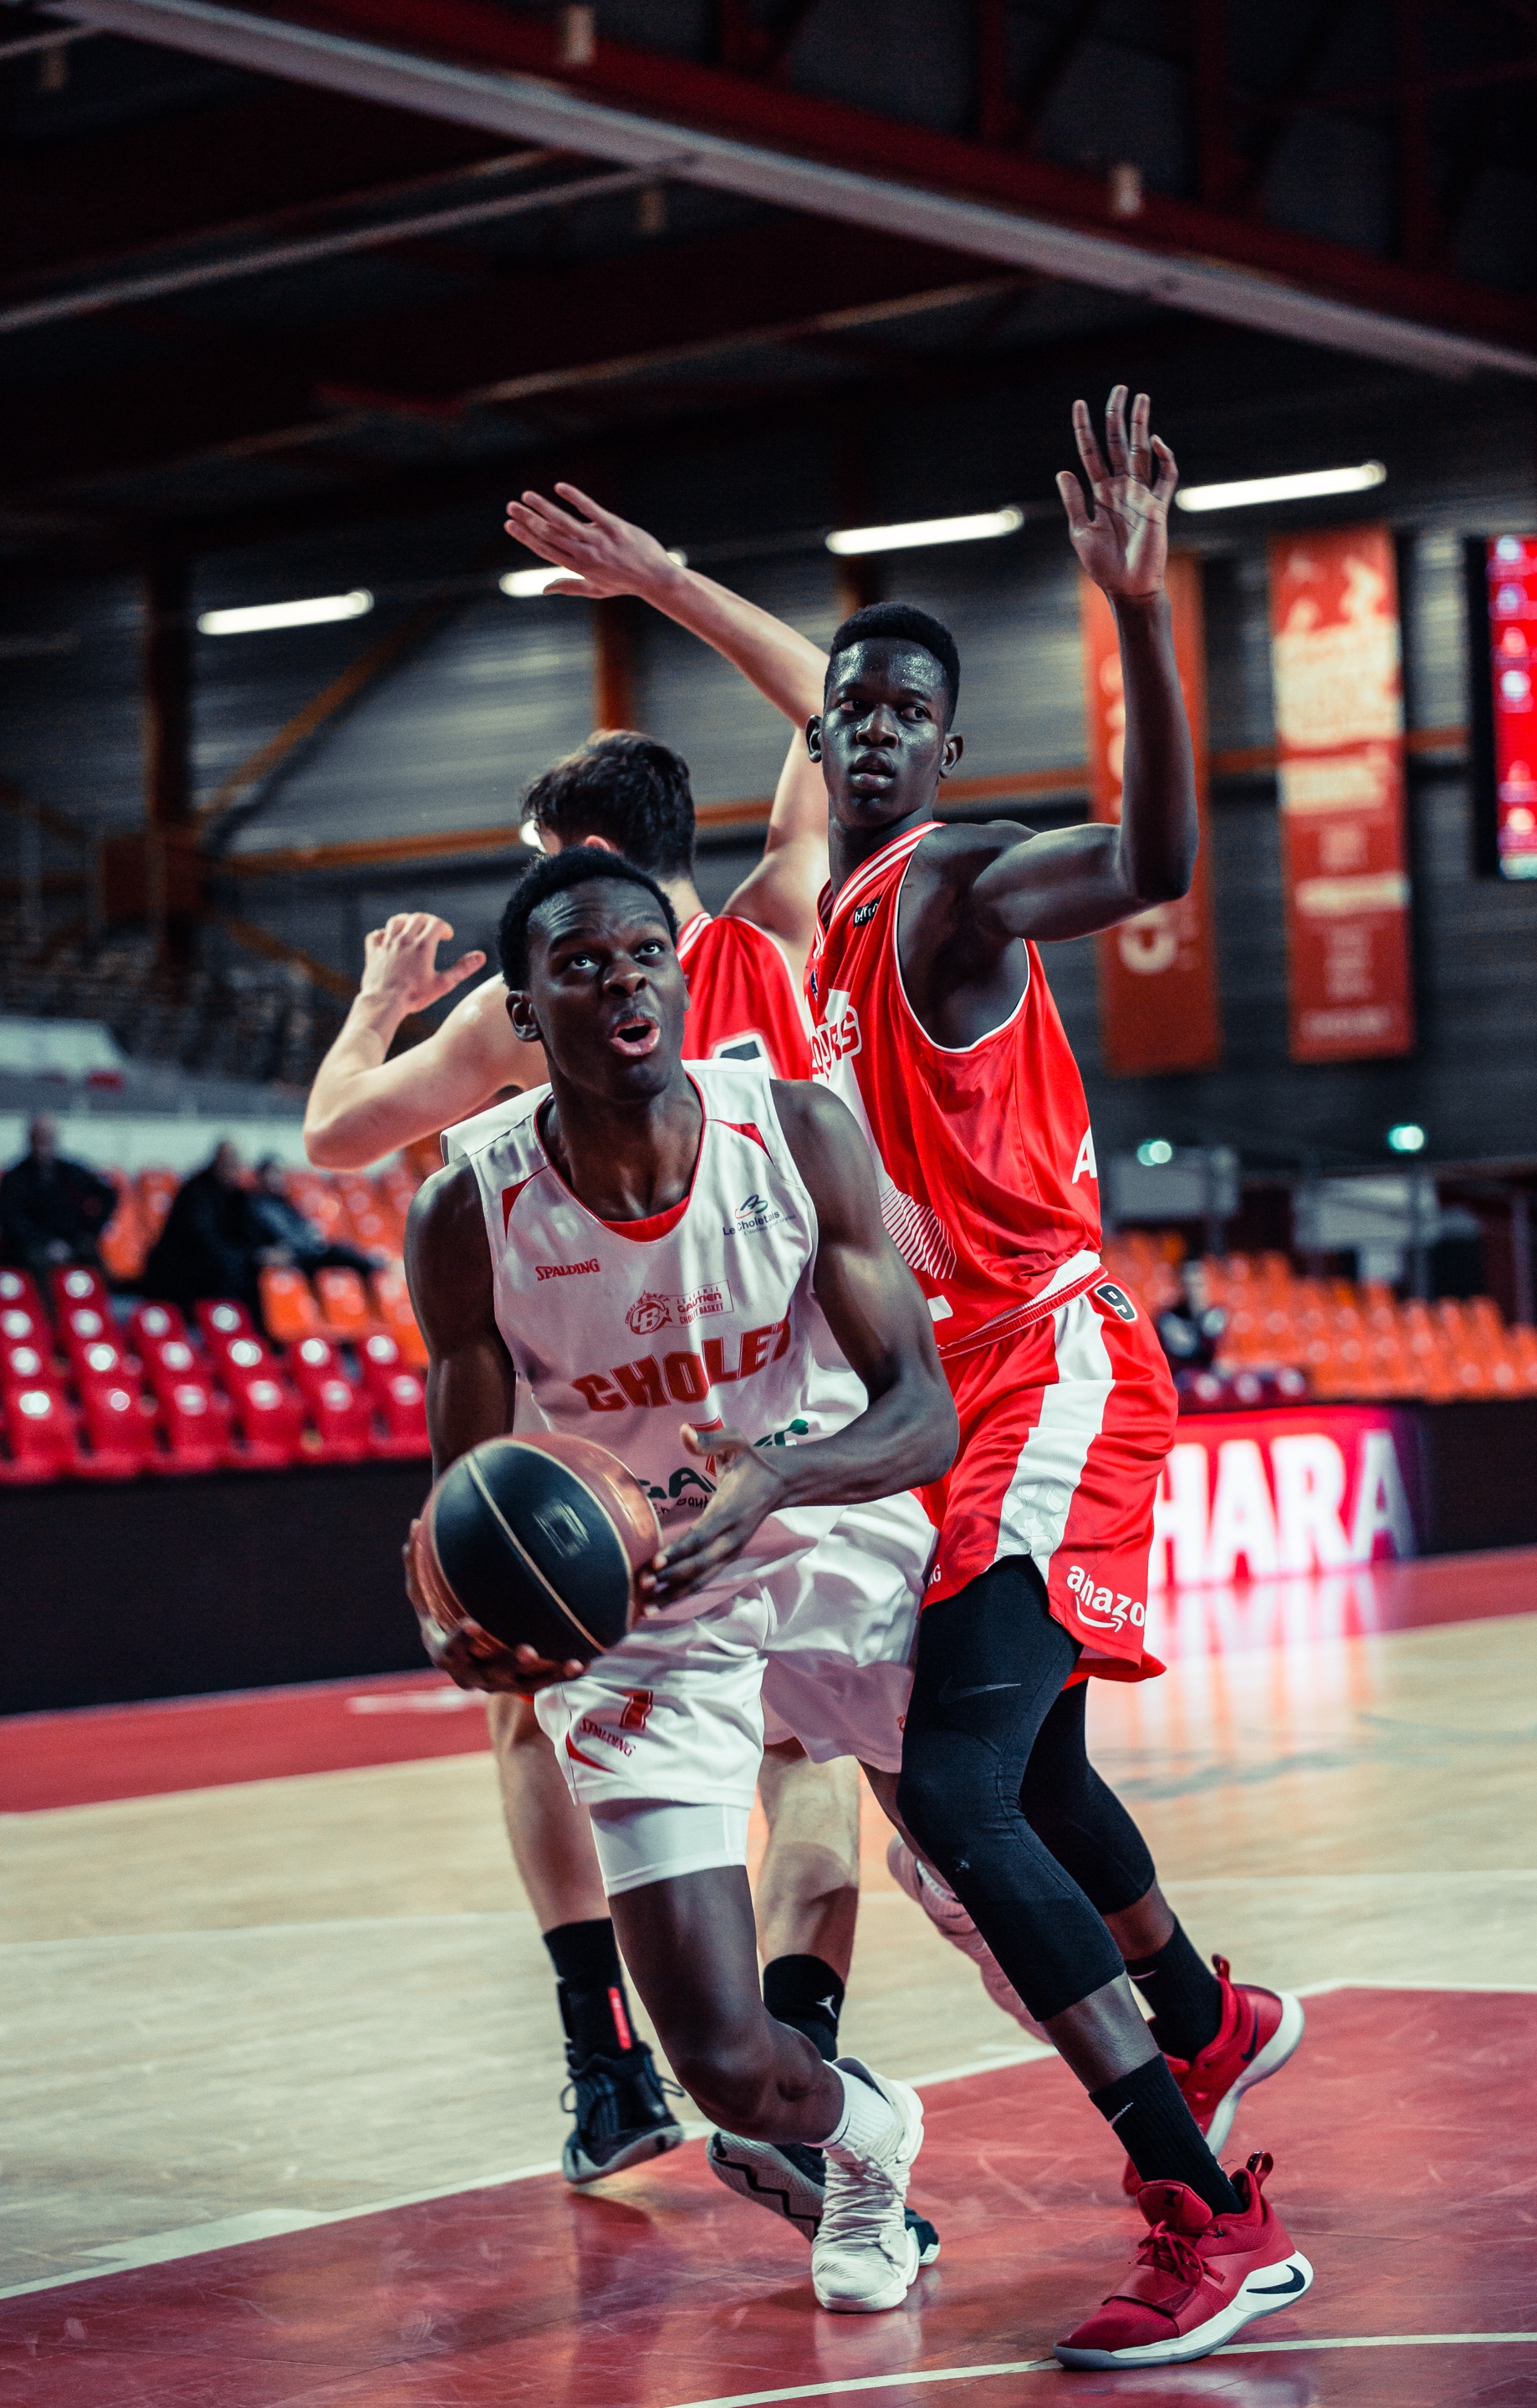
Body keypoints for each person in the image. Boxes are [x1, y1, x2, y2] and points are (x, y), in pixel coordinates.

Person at [524, 397, 1311, 2368]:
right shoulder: (794, 947)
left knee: (954, 1788)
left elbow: (1142, 854)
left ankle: (1206, 2210)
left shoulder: (948, 888)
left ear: (943, 751)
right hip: (916, 1407)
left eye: (901, 709)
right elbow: (824, 705)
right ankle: (1201, 2020)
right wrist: (670, 586)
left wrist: (1138, 613)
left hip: (1041, 1366)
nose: (864, 724)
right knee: (1011, 1768)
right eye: (842, 710)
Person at [299, 535, 911, 2209]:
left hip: (623, 1448)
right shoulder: (780, 914)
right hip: (792, 1412)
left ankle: (606, 2066)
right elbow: (829, 702)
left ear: (573, 873)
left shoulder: (543, 1001)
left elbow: (337, 1133)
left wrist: (368, 1006)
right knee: (815, 1766)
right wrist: (665, 579)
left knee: (526, 1689)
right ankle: (800, 2049)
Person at [405, 849, 958, 2314]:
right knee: (720, 2059)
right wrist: (469, 1621)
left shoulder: (791, 1130)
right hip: (650, 1621)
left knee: (1018, 1894)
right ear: (524, 1009)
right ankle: (865, 2140)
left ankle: (1187, 2140)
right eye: (580, 963)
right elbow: (468, 1506)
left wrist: (776, 1475)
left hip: (832, 1540)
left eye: (645, 951)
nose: (623, 979)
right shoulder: (470, 1208)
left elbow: (922, 1416)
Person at [142, 1140, 274, 1317]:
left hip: (219, 1260)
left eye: (236, 1164)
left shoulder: (237, 1196)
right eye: (228, 1163)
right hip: (182, 1268)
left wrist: (262, 1254)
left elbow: (249, 1234)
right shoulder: (196, 1191)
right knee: (229, 1267)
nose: (234, 1169)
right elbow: (202, 1241)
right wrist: (250, 1256)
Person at [0, 1115, 115, 1284]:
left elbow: (107, 1194)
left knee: (93, 1261)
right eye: (39, 1138)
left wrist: (91, 1231)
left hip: (71, 1240)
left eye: (47, 1138)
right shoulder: (16, 1177)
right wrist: (47, 1243)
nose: (43, 1144)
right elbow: (12, 1219)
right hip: (32, 1245)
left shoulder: (71, 1172)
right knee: (35, 1261)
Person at [248, 1154, 381, 1281]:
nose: (276, 1179)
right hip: (297, 1256)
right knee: (339, 1252)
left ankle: (375, 1270)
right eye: (271, 1174)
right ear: (261, 1177)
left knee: (343, 1248)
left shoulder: (286, 1202)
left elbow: (303, 1230)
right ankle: (375, 1267)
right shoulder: (257, 1207)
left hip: (308, 1251)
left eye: (278, 1173)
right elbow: (262, 1248)